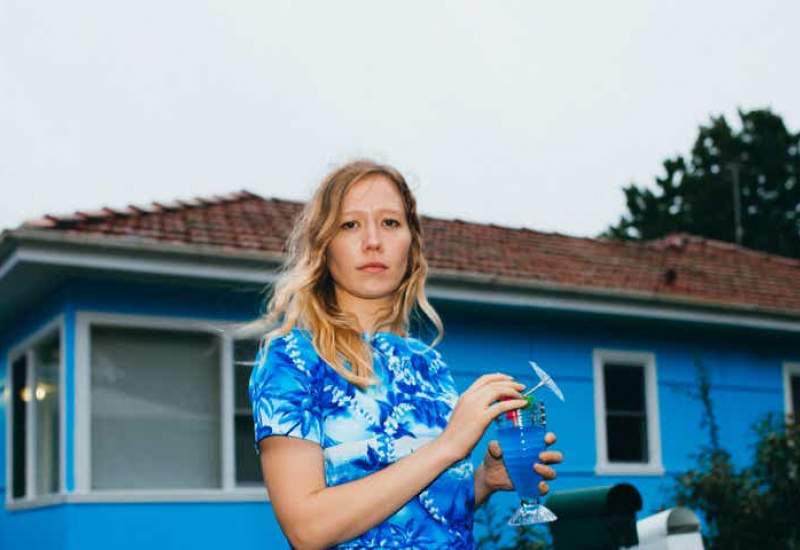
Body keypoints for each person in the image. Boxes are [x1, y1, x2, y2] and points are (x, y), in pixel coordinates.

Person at [248, 159, 562, 549]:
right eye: (350, 225)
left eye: (390, 223)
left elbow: (425, 512)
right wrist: (448, 447)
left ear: (411, 245)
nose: (373, 241)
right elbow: (307, 529)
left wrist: (481, 481)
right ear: (324, 246)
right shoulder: (292, 359)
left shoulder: (426, 364)